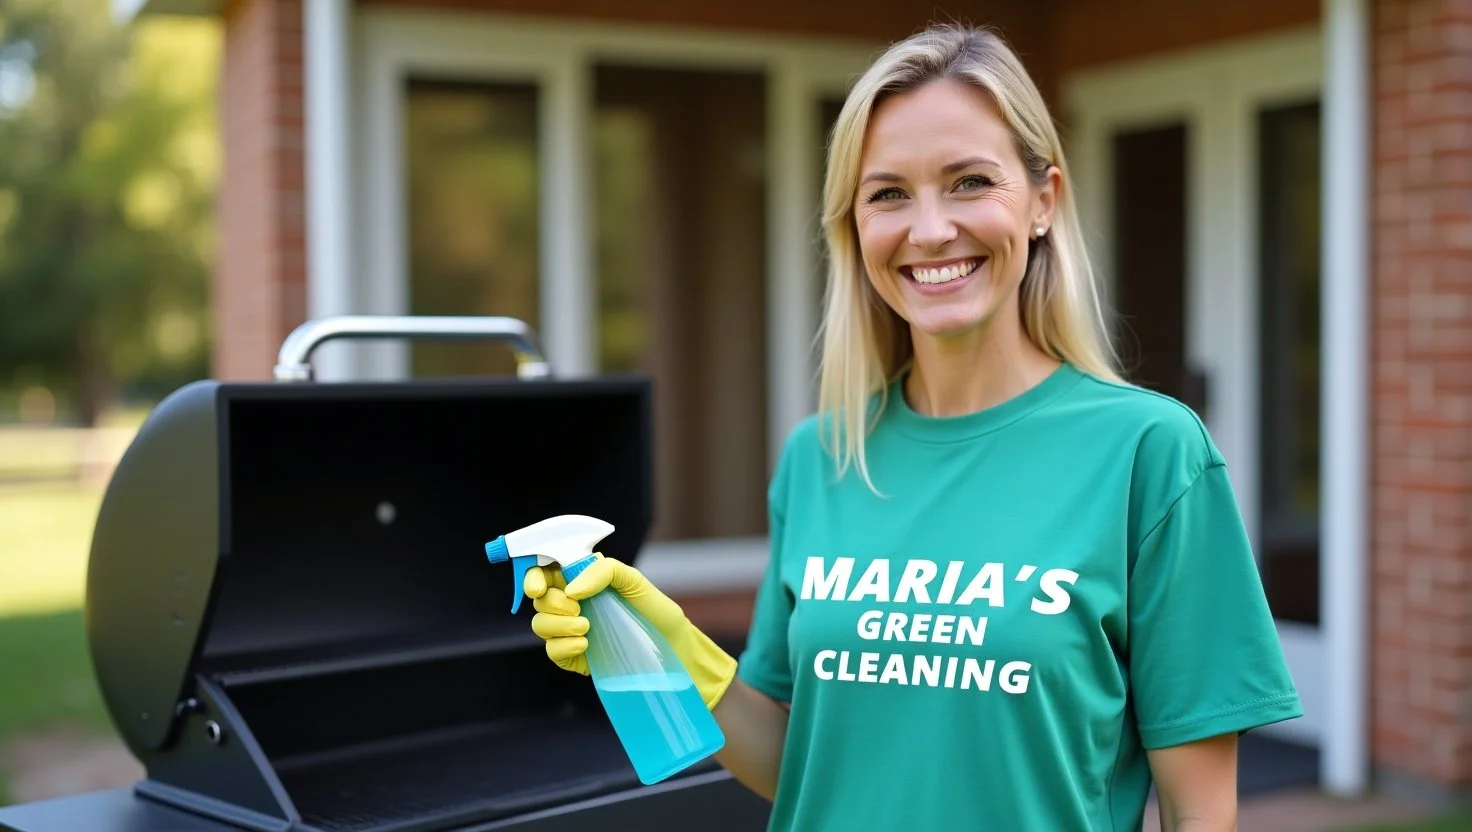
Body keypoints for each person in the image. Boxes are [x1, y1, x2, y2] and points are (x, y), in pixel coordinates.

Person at [522, 22, 1302, 832]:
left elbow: (1201, 812)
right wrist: (670, 647)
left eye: (969, 181)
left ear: (1043, 201)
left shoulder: (1149, 455)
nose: (929, 229)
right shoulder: (820, 456)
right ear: (854, 229)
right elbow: (799, 763)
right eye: (888, 193)